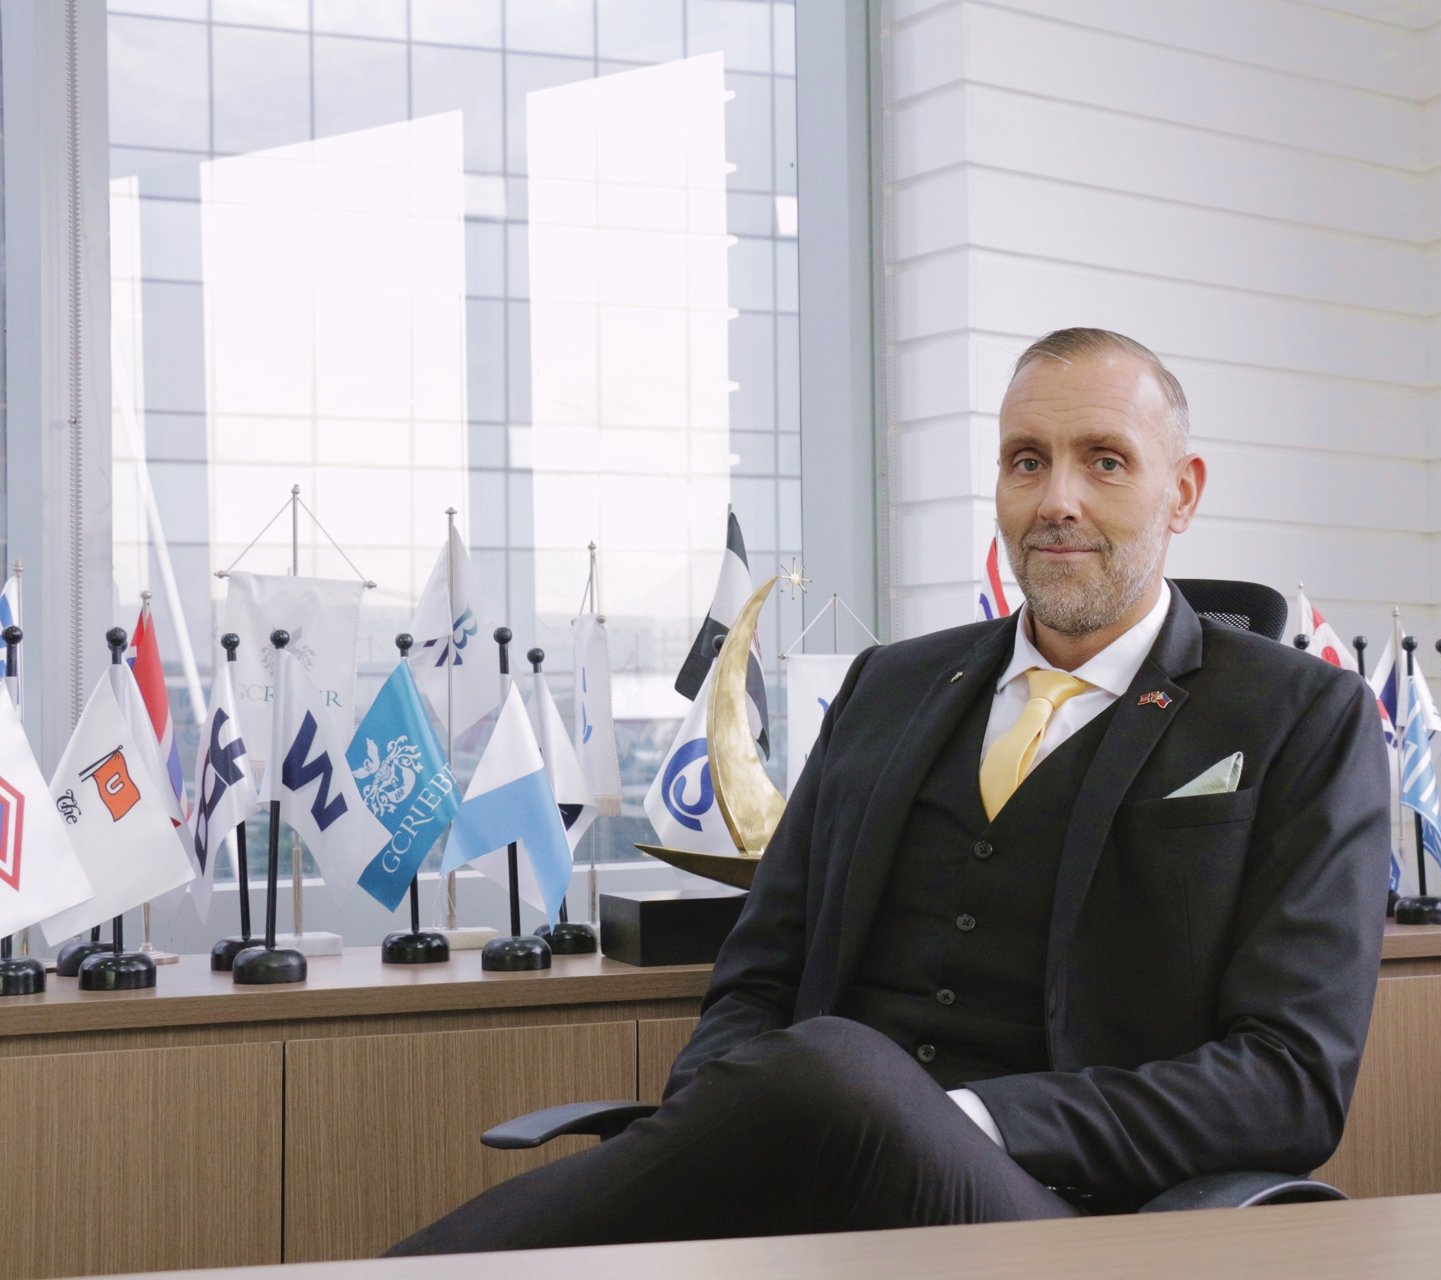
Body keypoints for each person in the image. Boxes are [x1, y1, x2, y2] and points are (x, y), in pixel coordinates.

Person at [390, 327, 1390, 1254]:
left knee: (841, 1068)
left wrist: (955, 1118)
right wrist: (722, 1129)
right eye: (1026, 460)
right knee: (816, 1080)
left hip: (1069, 1219)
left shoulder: (1301, 717)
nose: (1057, 502)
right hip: (812, 1183)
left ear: (1183, 493)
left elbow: (1288, 1080)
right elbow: (757, 980)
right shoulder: (888, 688)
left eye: (1107, 460)